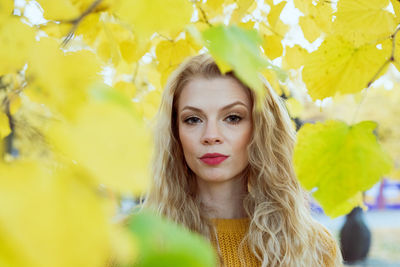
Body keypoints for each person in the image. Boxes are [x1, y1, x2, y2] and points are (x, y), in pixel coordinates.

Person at [144, 54, 343, 266]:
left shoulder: (314, 248)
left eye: (233, 118)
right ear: (175, 132)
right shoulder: (129, 244)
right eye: (193, 119)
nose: (211, 135)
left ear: (260, 129)